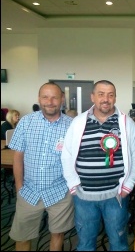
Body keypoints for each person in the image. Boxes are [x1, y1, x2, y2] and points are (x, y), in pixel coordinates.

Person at [61, 80, 135, 251]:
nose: (106, 99)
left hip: (116, 196)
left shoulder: (126, 123)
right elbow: (66, 154)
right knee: (86, 244)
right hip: (84, 197)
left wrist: (128, 185)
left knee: (119, 244)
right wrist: (73, 185)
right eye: (101, 94)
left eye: (110, 95)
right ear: (92, 97)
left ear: (115, 98)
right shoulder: (78, 122)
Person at [8, 82, 74, 251]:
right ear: (39, 99)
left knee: (58, 234)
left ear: (62, 99)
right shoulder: (26, 122)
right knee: (22, 237)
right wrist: (19, 187)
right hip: (29, 191)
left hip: (60, 192)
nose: (49, 101)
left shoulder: (72, 125)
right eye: (45, 97)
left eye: (54, 97)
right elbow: (18, 157)